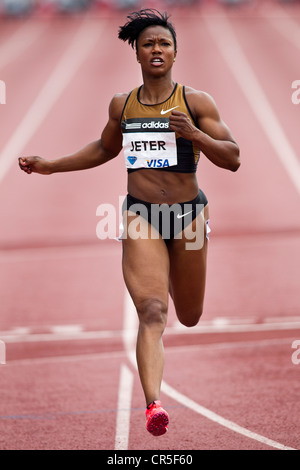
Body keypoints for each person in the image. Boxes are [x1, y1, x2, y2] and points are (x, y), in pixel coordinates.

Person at [18, 9, 240, 437]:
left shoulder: (196, 102)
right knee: (153, 311)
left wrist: (196, 136)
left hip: (189, 216)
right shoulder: (123, 104)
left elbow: (233, 158)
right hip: (142, 216)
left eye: (164, 43)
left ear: (176, 52)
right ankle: (154, 404)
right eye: (148, 44)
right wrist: (51, 166)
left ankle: (179, 295)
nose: (157, 49)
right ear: (136, 52)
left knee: (190, 315)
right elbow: (103, 149)